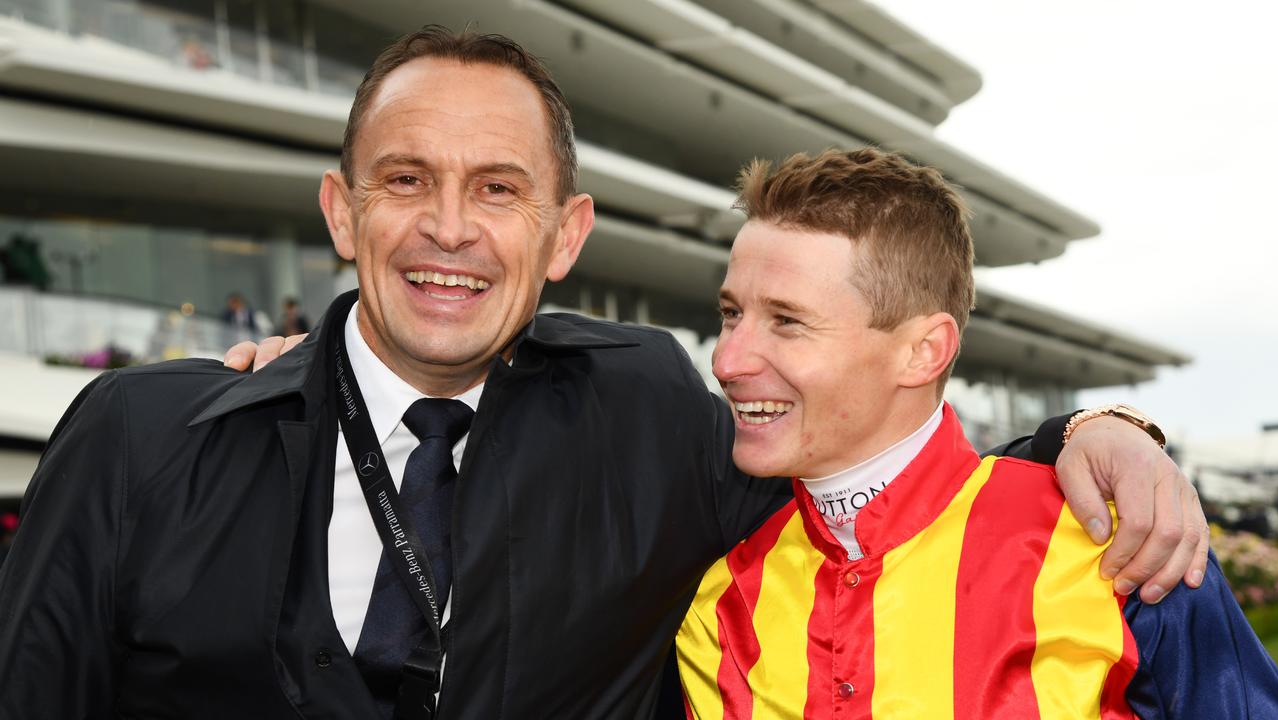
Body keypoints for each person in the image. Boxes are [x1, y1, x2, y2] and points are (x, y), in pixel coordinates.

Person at [0, 26, 1205, 720]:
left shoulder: (644, 407)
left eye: (498, 189)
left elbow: (867, 485)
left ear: (565, 236)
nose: (449, 230)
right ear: (341, 211)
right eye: (406, 181)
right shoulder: (142, 434)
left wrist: (1087, 433)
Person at [674, 148, 1278, 718]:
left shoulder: (1118, 540)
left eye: (787, 321)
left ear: (923, 352)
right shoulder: (720, 605)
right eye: (731, 314)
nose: (728, 361)